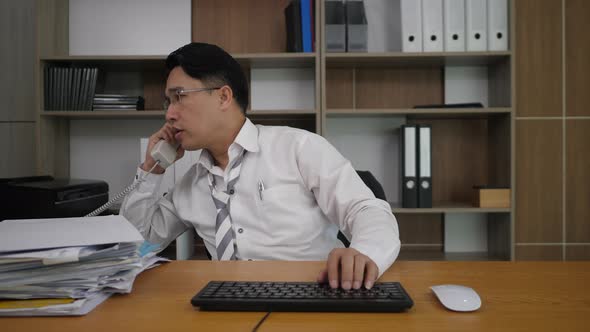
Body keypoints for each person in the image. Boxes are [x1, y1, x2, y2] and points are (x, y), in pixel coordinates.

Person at [120, 42, 400, 290]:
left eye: (179, 96)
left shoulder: (298, 148)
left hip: (314, 295)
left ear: (223, 97)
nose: (169, 114)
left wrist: (363, 253)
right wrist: (151, 169)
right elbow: (136, 245)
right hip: (227, 305)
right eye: (168, 102)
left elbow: (366, 209)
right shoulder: (190, 185)